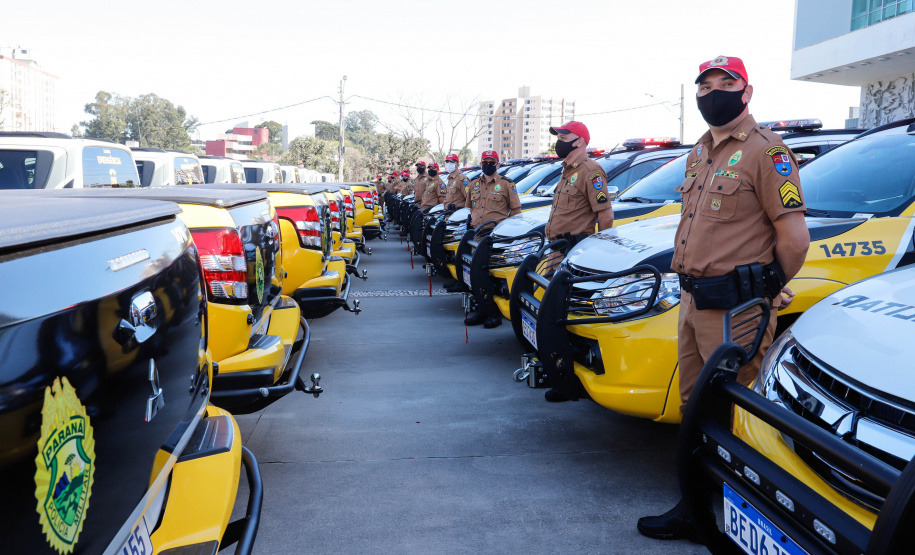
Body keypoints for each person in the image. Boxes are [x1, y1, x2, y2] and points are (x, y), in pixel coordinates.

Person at [636, 55, 810, 542]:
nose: (714, 91)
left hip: (736, 310)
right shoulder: (699, 152)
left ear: (747, 92)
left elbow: (794, 239)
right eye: (705, 84)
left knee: (733, 410)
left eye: (726, 82)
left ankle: (744, 515)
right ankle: (695, 509)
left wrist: (766, 288)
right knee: (696, 410)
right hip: (692, 302)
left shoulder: (767, 151)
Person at [539, 120, 614, 403]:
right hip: (556, 252)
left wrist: (602, 256)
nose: (559, 139)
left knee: (563, 317)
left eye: (564, 135)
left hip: (574, 254)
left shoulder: (591, 171)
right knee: (551, 315)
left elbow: (605, 216)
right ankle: (557, 370)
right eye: (558, 135)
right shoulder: (567, 171)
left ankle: (568, 381)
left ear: (580, 141)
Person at [463, 150, 522, 328]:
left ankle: (493, 314)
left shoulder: (507, 184)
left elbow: (516, 211)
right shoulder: (473, 184)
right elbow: (470, 208)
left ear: (498, 164)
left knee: (488, 275)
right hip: (476, 235)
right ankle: (482, 310)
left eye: (492, 162)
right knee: (474, 275)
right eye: (485, 162)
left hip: (494, 237)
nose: (488, 165)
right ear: (481, 164)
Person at [442, 154, 471, 289]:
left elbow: (469, 199)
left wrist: (458, 207)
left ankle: (462, 281)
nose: (449, 164)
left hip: (458, 220)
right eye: (447, 161)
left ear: (457, 164)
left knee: (459, 251)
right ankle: (455, 277)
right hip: (450, 219)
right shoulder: (450, 179)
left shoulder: (463, 179)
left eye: (451, 161)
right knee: (452, 252)